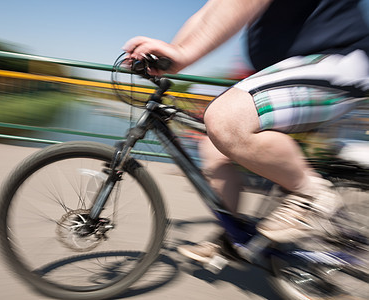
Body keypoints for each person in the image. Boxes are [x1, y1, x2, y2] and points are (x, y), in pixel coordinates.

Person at [124, 0, 369, 262]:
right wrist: (170, 56)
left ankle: (312, 195)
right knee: (213, 146)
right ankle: (234, 237)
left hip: (338, 59)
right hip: (300, 67)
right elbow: (210, 11)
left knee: (227, 120)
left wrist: (183, 52)